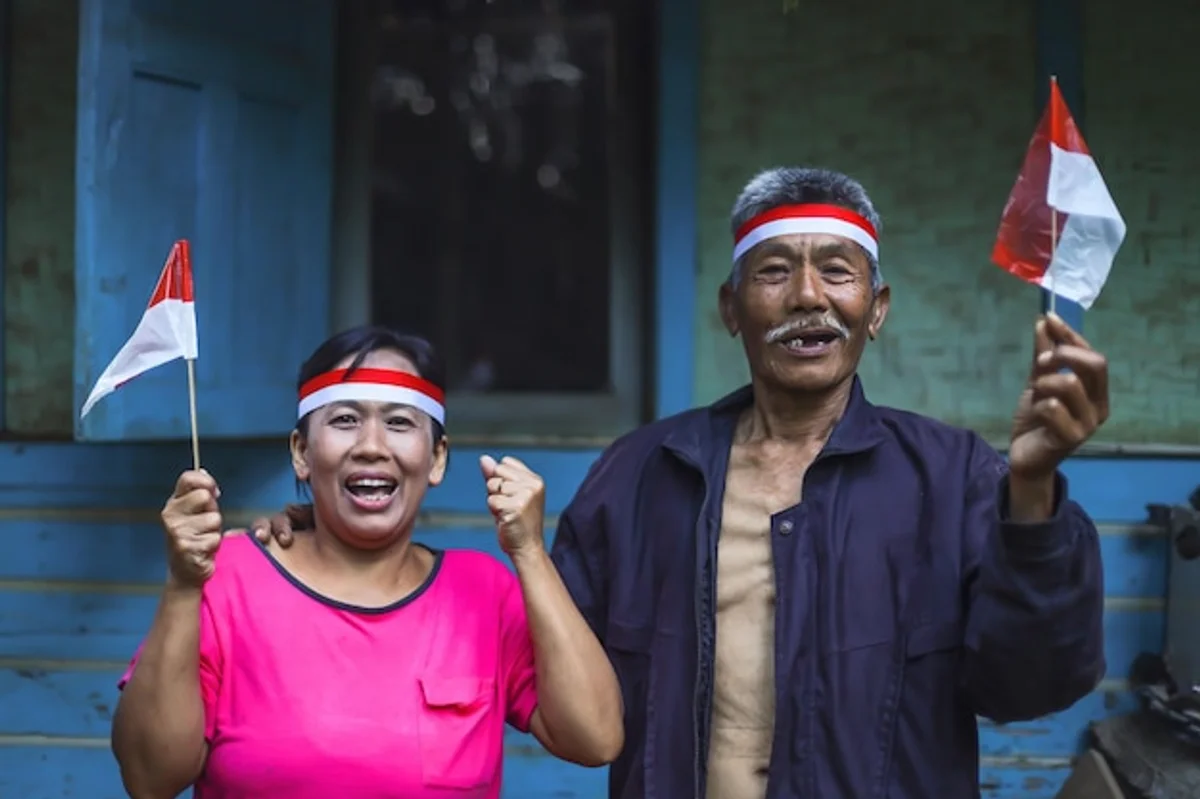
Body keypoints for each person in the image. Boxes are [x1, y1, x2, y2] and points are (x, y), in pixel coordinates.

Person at [256, 167, 1110, 798]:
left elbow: (1028, 688)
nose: (807, 295)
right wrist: (326, 541)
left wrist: (1032, 494)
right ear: (732, 307)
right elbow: (534, 661)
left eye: (837, 272)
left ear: (875, 309)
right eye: (774, 271)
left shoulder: (956, 479)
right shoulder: (640, 476)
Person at [111, 326, 623, 799]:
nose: (372, 447)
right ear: (302, 453)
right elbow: (149, 778)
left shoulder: (484, 593)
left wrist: (530, 552)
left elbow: (595, 739)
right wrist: (183, 584)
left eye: (399, 423)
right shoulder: (227, 580)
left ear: (437, 458)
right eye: (345, 420)